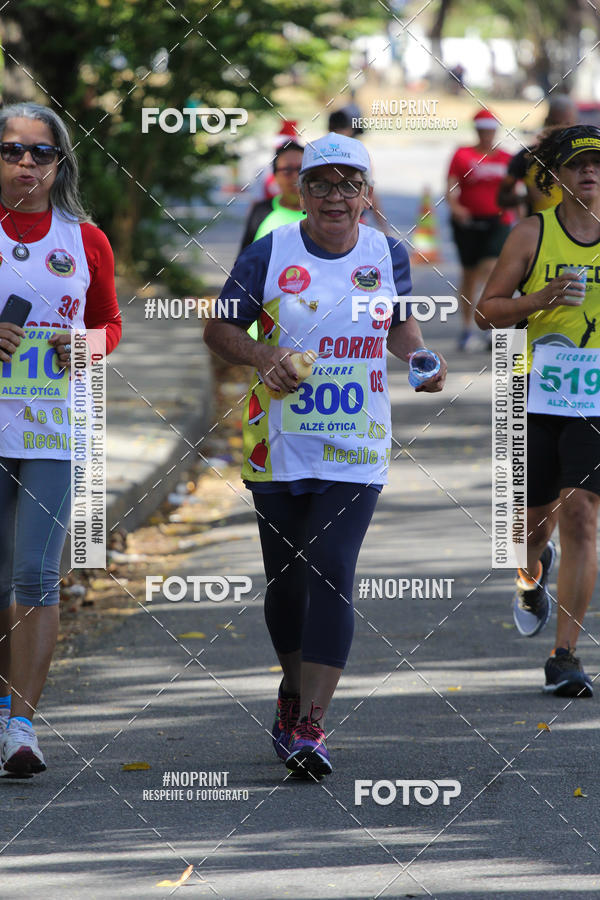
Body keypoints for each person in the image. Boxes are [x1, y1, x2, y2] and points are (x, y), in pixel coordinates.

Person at [204, 132, 447, 779]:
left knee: (332, 569)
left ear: (366, 194)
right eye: (321, 184)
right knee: (286, 584)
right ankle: (292, 690)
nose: (335, 197)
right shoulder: (270, 251)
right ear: (301, 190)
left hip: (357, 444)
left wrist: (420, 355)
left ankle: (311, 724)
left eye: (348, 185)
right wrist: (263, 354)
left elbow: (399, 323)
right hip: (279, 443)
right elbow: (219, 327)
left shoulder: (386, 252)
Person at [0, 102, 122, 775]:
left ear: (60, 162)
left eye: (40, 152)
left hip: (52, 425)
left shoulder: (87, 240)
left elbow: (109, 324)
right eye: (12, 150)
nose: (26, 162)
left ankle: (22, 727)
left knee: (36, 574)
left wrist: (88, 347)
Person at [476, 124, 600, 698]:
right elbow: (486, 313)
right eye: (578, 164)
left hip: (595, 398)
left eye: (598, 164)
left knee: (582, 516)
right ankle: (531, 572)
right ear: (556, 176)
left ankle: (565, 654)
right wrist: (540, 299)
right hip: (534, 390)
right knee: (531, 524)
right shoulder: (532, 233)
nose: (590, 173)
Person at [446, 108, 514, 351]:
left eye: (491, 130)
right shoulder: (462, 155)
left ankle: (489, 327)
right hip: (468, 223)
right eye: (482, 130)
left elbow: (515, 190)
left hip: (498, 222)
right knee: (469, 275)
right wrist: (456, 208)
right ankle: (467, 328)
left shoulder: (506, 158)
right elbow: (450, 186)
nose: (487, 134)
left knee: (491, 270)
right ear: (476, 130)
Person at [497, 95, 578, 217]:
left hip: (578, 227)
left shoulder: (585, 157)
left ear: (576, 123)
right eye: (555, 123)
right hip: (539, 226)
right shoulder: (527, 156)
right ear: (546, 122)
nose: (560, 129)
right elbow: (502, 198)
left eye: (567, 124)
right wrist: (526, 198)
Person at [238, 140, 305, 253]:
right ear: (275, 175)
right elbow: (244, 258)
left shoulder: (322, 212)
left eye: (301, 169)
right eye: (287, 170)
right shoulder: (261, 211)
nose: (295, 177)